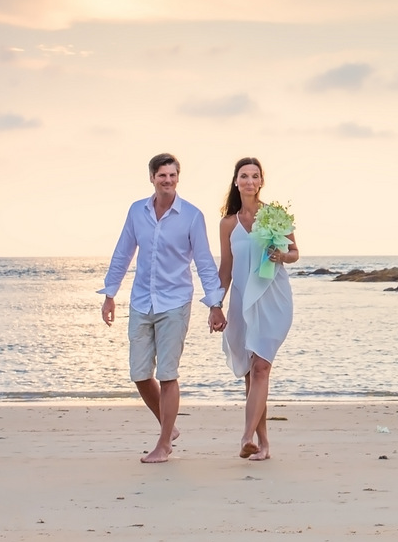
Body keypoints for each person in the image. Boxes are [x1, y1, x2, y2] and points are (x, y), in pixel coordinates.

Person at [99, 153, 226, 463]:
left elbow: (205, 262)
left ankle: (164, 443)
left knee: (167, 375)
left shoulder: (192, 216)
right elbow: (123, 252)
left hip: (175, 302)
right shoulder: (137, 211)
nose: (167, 181)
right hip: (142, 300)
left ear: (178, 178)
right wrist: (110, 293)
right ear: (152, 178)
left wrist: (215, 303)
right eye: (161, 176)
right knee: (140, 373)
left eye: (172, 175)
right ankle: (169, 427)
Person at [217, 156, 296, 461]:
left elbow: (295, 252)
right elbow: (226, 268)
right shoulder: (227, 224)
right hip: (241, 299)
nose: (249, 181)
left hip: (273, 297)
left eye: (255, 176)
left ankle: (245, 437)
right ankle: (262, 444)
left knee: (262, 367)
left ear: (262, 181)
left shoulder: (275, 215)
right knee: (252, 374)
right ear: (236, 181)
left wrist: (281, 256)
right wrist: (216, 305)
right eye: (244, 176)